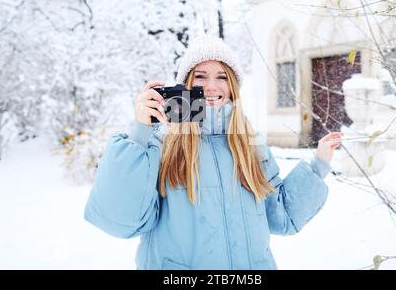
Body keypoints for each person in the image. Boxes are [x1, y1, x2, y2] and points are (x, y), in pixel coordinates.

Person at [84, 34, 342, 270]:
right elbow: (119, 219)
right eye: (200, 76)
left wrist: (318, 166)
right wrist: (140, 131)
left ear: (232, 86)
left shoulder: (249, 144)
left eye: (221, 77)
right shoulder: (161, 144)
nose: (211, 86)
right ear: (186, 84)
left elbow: (281, 215)